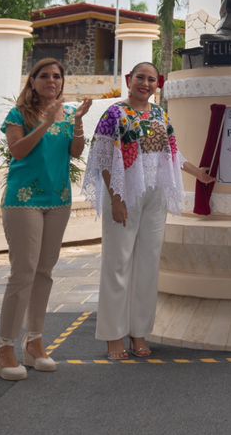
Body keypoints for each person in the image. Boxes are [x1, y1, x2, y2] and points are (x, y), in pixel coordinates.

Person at [84, 61, 214, 360]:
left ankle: (139, 332)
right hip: (125, 193)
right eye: (140, 78)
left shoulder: (159, 114)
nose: (145, 83)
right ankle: (113, 336)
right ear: (129, 80)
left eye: (151, 79)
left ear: (159, 84)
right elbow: (103, 158)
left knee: (147, 265)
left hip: (155, 195)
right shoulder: (114, 114)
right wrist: (115, 199)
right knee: (118, 265)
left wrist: (199, 173)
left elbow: (172, 152)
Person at [0, 59, 91, 381]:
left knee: (44, 272)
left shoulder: (67, 112)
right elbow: (18, 151)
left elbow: (75, 152)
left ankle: (34, 342)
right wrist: (46, 123)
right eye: (45, 76)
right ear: (32, 81)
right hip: (24, 200)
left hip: (58, 198)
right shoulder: (18, 114)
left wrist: (76, 122)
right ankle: (4, 347)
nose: (52, 80)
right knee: (23, 271)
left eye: (57, 76)